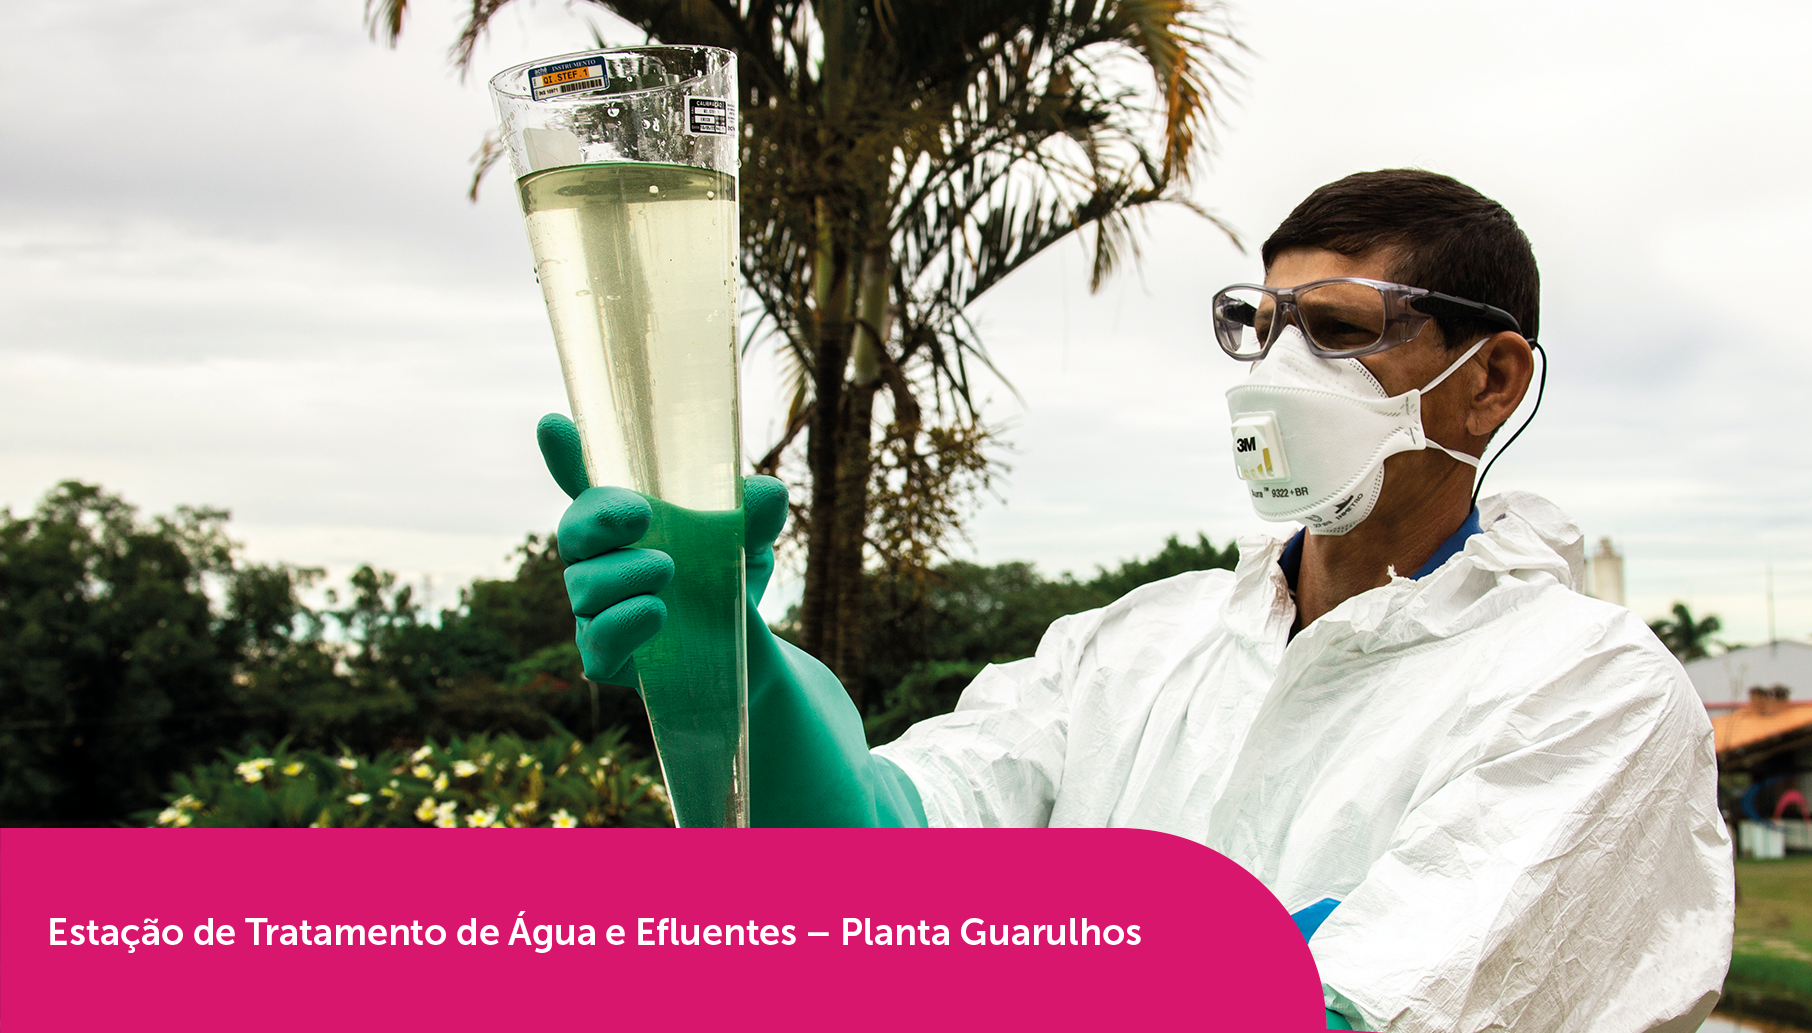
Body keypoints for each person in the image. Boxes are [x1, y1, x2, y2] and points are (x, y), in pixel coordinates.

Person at [547, 169, 1734, 1032]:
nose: (1279, 374)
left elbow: (1354, 1006)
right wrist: (735, 683)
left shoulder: (1587, 693)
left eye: (1337, 330)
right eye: (1260, 327)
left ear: (1490, 382)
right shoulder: (1134, 645)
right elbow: (873, 870)